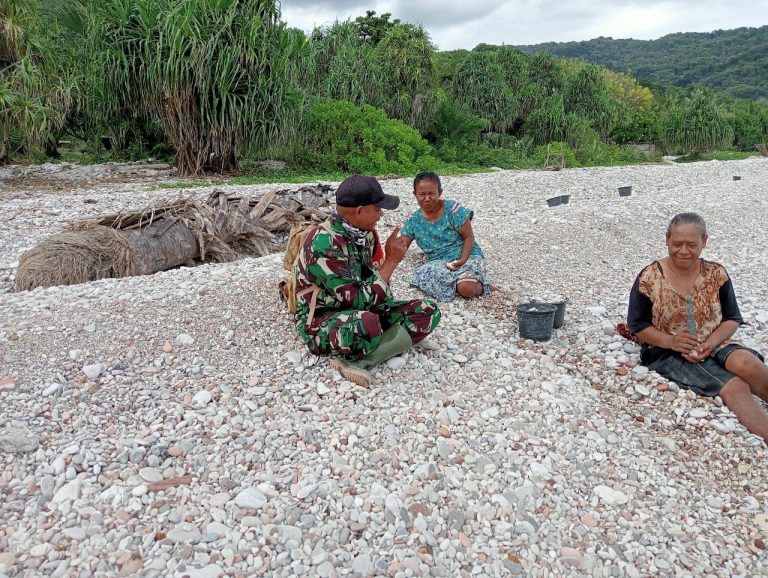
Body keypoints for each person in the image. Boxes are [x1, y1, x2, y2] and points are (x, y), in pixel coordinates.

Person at [627, 212, 768, 443]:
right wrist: (671, 341)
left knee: (748, 364)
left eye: (692, 244)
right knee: (735, 387)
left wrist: (711, 342)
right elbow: (637, 324)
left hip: (716, 339)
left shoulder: (716, 274)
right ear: (666, 240)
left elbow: (732, 318)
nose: (684, 251)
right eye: (677, 244)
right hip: (667, 351)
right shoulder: (649, 277)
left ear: (705, 241)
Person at [294, 174, 442, 388]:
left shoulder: (364, 234)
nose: (381, 215)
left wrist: (385, 271)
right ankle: (357, 361)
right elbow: (357, 301)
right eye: (378, 208)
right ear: (360, 211)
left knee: (428, 311)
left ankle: (383, 343)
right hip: (322, 320)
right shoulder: (324, 245)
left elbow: (373, 284)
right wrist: (391, 262)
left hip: (362, 306)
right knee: (368, 324)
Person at [400, 171, 492, 301]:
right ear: (415, 194)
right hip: (440, 261)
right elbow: (401, 247)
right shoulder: (413, 220)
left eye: (431, 193)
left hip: (466, 255)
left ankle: (483, 285)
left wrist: (463, 260)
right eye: (422, 194)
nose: (427, 198)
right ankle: (462, 280)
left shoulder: (452, 209)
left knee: (467, 289)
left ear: (440, 192)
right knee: (423, 274)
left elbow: (469, 237)